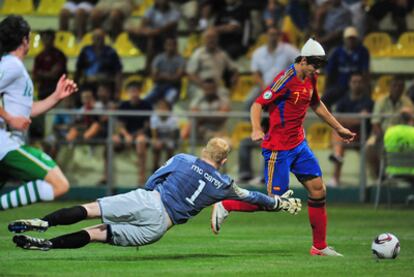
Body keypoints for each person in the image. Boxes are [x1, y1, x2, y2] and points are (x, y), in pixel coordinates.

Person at [8, 138, 302, 251]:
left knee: (91, 211)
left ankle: (44, 224)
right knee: (96, 234)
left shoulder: (184, 159)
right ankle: (45, 245)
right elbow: (253, 197)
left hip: (150, 200)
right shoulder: (225, 184)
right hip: (160, 227)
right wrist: (279, 203)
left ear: (205, 151)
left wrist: (146, 195)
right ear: (223, 160)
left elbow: (153, 179)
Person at [211, 38, 356, 256]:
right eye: (315, 65)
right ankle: (227, 204)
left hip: (299, 144)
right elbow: (258, 103)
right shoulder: (285, 79)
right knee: (274, 202)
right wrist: (256, 128)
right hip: (278, 149)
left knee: (318, 191)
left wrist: (338, 128)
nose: (317, 70)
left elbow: (315, 103)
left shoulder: (310, 77)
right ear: (304, 60)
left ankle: (319, 246)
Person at [0, 15, 78, 210]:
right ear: (25, 39)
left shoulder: (14, 66)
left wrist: (56, 96)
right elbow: (16, 117)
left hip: (10, 143)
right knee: (59, 184)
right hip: (6, 145)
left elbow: (29, 110)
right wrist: (9, 118)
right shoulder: (12, 65)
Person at [328, 72, 374, 187]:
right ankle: (335, 176)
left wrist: (344, 120)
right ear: (349, 84)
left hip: (364, 137)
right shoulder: (344, 100)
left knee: (339, 132)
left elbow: (360, 120)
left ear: (363, 84)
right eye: (354, 82)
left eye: (359, 82)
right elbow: (335, 119)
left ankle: (378, 178)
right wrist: (353, 119)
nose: (357, 84)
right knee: (337, 133)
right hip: (347, 136)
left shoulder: (367, 101)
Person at [366, 76, 414, 178]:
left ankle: (406, 175)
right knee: (369, 147)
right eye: (395, 85)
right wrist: (383, 138)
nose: (397, 88)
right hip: (381, 134)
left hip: (400, 137)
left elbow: (411, 124)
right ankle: (378, 176)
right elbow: (375, 124)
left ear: (403, 88)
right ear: (390, 87)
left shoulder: (408, 103)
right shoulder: (381, 101)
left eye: (400, 86)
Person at [113, 81, 153, 186]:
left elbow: (146, 126)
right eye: (132, 92)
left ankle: (141, 177)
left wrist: (133, 136)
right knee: (113, 140)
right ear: (127, 93)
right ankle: (108, 177)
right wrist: (126, 135)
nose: (134, 94)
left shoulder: (146, 105)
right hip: (126, 134)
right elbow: (120, 125)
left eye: (136, 91)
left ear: (140, 92)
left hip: (140, 134)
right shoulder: (123, 105)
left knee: (140, 141)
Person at [322, 26, 370, 110]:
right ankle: (328, 119)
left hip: (356, 86)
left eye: (353, 38)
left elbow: (365, 71)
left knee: (366, 102)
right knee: (324, 99)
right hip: (340, 85)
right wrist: (326, 88)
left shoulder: (362, 51)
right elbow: (329, 72)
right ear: (344, 39)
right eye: (349, 38)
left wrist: (366, 87)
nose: (351, 41)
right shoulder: (337, 52)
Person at [74, 28, 122, 101]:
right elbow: (78, 69)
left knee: (104, 92)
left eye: (100, 37)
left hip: (106, 84)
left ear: (104, 38)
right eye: (96, 37)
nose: (98, 39)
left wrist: (117, 91)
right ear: (92, 38)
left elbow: (118, 71)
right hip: (88, 84)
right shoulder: (86, 50)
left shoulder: (111, 52)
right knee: (84, 96)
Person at [144, 36, 186, 105]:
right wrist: (169, 76)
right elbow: (154, 77)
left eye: (172, 45)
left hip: (174, 88)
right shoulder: (158, 58)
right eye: (168, 45)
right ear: (165, 46)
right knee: (145, 101)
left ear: (176, 46)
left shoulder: (180, 60)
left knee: (168, 101)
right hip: (158, 86)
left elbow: (177, 78)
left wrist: (161, 75)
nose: (170, 47)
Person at [150, 100, 180, 173]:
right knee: (156, 146)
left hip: (171, 137)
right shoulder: (154, 117)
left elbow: (174, 134)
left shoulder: (174, 118)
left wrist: (165, 142)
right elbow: (154, 135)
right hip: (159, 137)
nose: (162, 110)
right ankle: (155, 169)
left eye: (164, 108)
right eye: (160, 108)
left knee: (170, 146)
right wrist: (157, 141)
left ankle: (169, 169)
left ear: (168, 109)